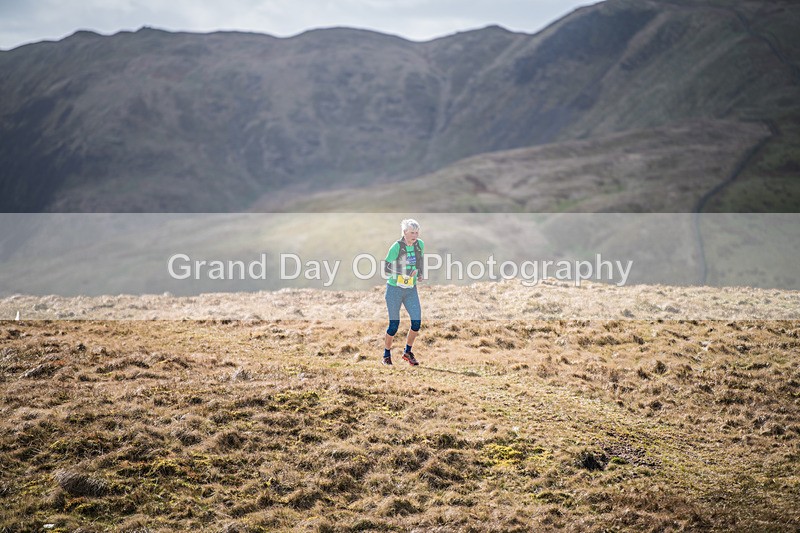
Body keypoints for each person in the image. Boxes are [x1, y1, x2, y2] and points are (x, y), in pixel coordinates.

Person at [382, 218, 424, 366]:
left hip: (410, 290)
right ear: (405, 232)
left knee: (417, 322)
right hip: (394, 290)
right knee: (394, 325)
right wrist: (406, 271)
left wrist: (420, 273)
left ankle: (407, 352)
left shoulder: (419, 245)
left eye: (417, 232)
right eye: (412, 232)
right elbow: (386, 268)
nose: (415, 235)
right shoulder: (396, 247)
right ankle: (386, 355)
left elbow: (420, 261)